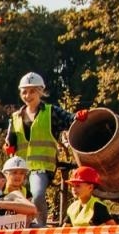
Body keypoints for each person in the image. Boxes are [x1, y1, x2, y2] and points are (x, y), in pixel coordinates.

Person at [4, 71, 73, 224]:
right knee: (8, 197)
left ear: (41, 91)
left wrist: (81, 117)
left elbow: (71, 120)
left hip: (41, 167)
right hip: (19, 168)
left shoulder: (51, 112)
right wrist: (8, 147)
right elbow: (10, 141)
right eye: (24, 92)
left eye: (32, 91)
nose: (28, 95)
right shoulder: (15, 117)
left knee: (38, 194)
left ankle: (40, 228)